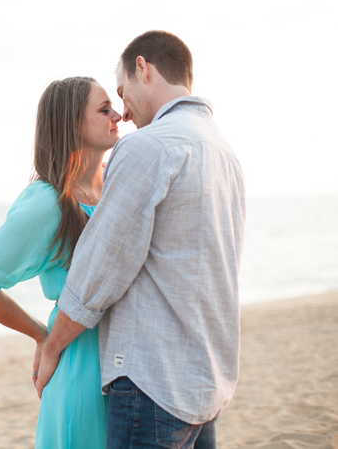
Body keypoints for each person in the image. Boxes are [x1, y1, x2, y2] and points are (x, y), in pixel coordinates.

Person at [34, 31, 246, 449]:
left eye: (121, 91)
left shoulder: (148, 147)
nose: (123, 114)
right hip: (207, 383)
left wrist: (52, 345)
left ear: (143, 68)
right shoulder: (224, 152)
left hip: (154, 384)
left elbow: (101, 268)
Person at [0, 76, 122, 448]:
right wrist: (41, 335)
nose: (118, 115)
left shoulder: (118, 186)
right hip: (81, 370)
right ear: (72, 124)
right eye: (103, 109)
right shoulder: (47, 203)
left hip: (129, 368)